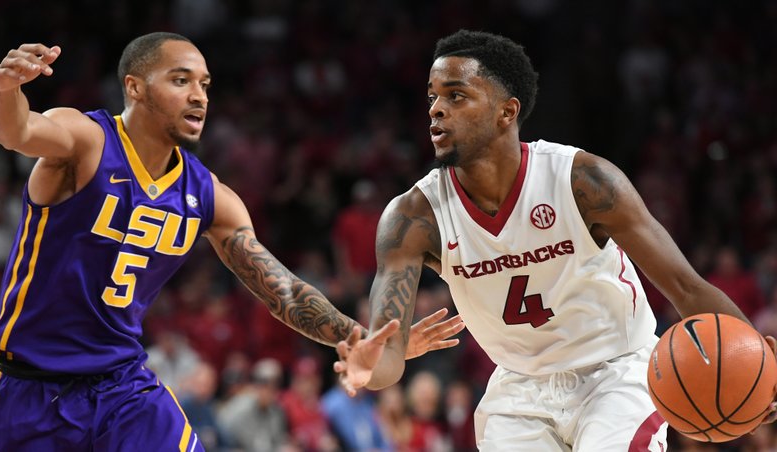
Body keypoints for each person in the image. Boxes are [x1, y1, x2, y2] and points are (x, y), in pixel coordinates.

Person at [0, 32, 465, 451]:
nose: (199, 96)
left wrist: (355, 340)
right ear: (134, 87)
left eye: (205, 85)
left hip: (122, 388)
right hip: (28, 389)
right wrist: (5, 88)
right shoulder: (85, 139)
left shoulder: (210, 196)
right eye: (181, 81)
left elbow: (285, 292)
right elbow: (15, 129)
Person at [333, 29, 777, 451]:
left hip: (615, 372)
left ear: (507, 112)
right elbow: (388, 354)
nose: (435, 109)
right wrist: (369, 367)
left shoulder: (584, 181)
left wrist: (757, 364)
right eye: (432, 97)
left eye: (456, 95)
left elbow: (685, 286)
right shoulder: (413, 218)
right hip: (518, 388)